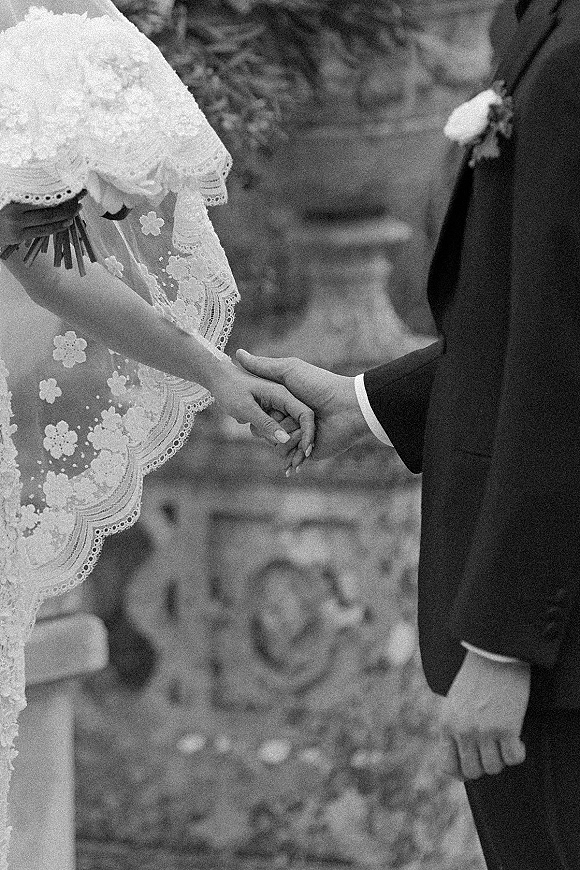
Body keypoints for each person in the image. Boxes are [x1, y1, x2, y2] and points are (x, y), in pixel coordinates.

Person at [237, 0, 580, 865]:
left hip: (558, 657)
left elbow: (564, 364)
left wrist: (505, 643)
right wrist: (367, 403)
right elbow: (530, 326)